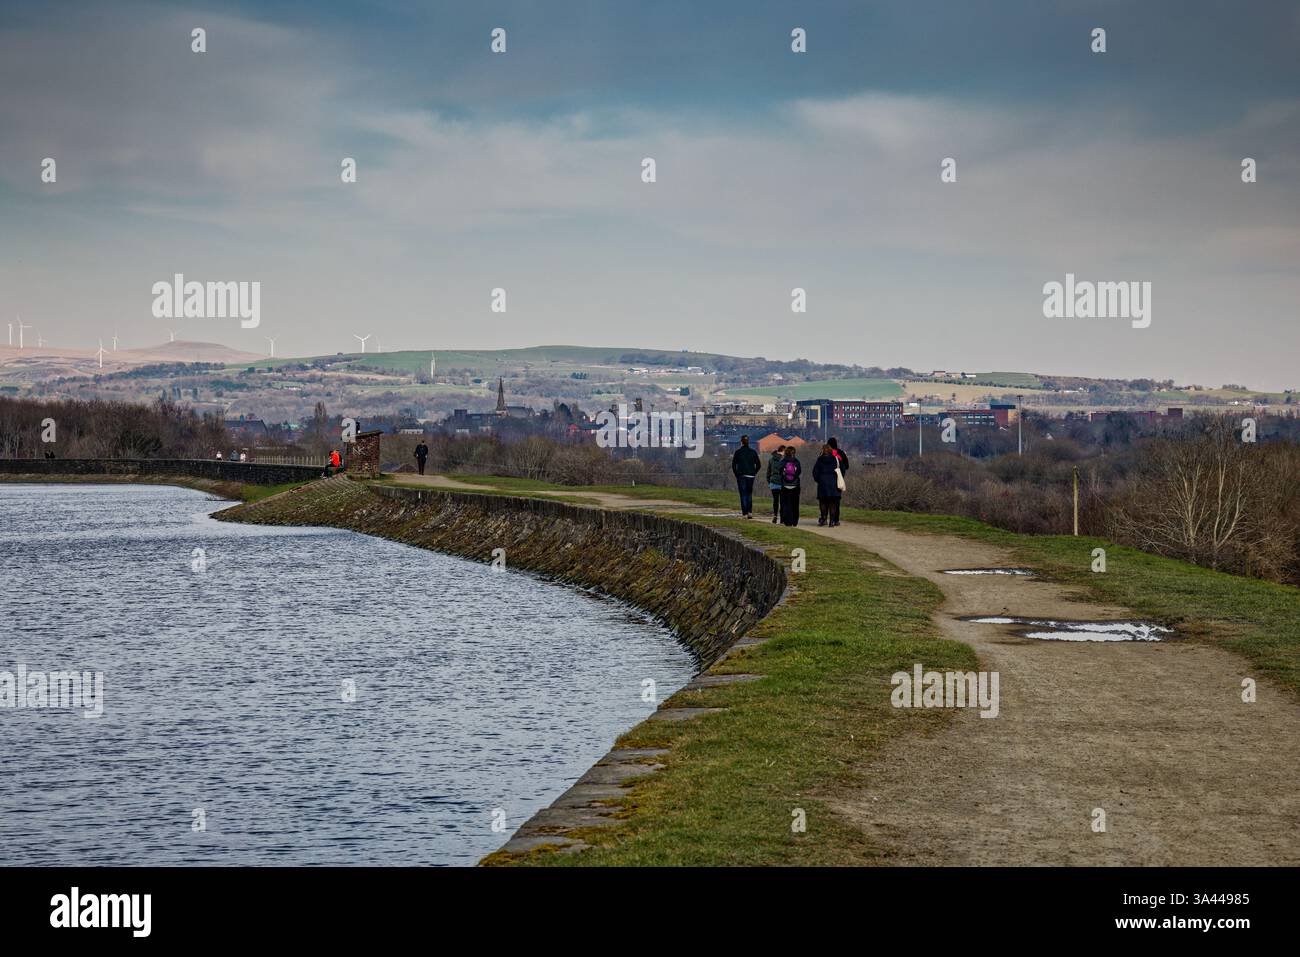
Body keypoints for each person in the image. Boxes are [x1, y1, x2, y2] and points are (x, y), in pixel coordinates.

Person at [812, 443, 844, 527]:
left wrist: (819, 480)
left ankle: (823, 519)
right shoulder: (836, 459)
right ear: (831, 450)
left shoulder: (819, 460)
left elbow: (815, 472)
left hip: (823, 483)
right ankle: (832, 521)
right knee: (833, 503)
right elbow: (842, 470)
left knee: (823, 502)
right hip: (833, 483)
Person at [730, 434, 761, 518]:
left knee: (743, 494)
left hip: (741, 475)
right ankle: (750, 512)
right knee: (749, 494)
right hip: (751, 475)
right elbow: (758, 465)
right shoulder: (753, 452)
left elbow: (733, 465)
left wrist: (737, 474)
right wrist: (754, 472)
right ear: (748, 442)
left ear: (741, 442)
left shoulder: (738, 452)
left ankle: (744, 513)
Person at [778, 446, 802, 526]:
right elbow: (799, 472)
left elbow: (780, 472)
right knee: (795, 504)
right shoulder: (796, 461)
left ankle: (787, 521)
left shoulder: (783, 461)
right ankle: (794, 521)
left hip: (785, 486)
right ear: (794, 453)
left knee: (786, 504)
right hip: (795, 486)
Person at [766, 445, 785, 523]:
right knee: (783, 501)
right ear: (783, 451)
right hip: (782, 482)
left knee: (775, 500)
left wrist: (769, 481)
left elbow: (768, 472)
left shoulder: (771, 460)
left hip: (773, 482)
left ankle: (775, 516)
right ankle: (782, 518)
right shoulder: (784, 460)